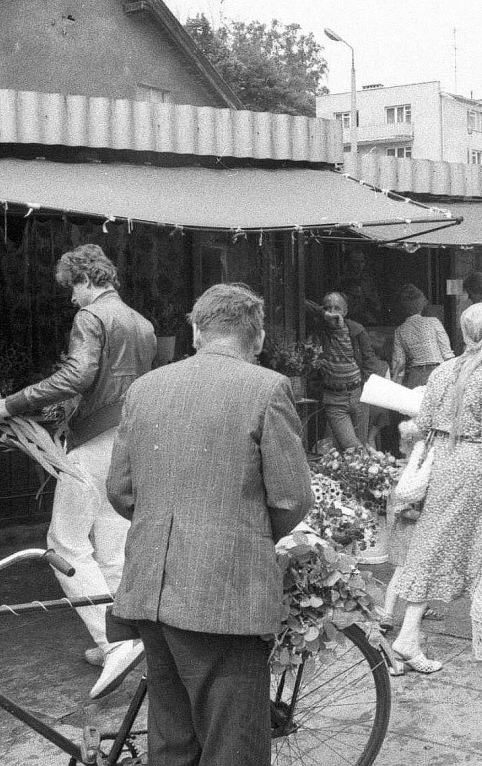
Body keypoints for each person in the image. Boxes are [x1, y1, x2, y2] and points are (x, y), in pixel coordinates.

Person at [107, 283, 313, 766]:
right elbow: (292, 497)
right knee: (232, 745)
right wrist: (243, 534)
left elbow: (121, 490)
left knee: (173, 740)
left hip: (150, 593)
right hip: (224, 593)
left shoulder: (144, 388)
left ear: (196, 331)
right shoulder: (266, 388)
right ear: (257, 337)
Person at [0, 244, 156, 677]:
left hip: (94, 441)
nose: (71, 298)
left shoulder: (91, 316)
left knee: (64, 544)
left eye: (73, 287)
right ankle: (131, 640)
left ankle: (112, 643)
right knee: (112, 550)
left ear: (88, 280)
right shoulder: (142, 323)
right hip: (130, 441)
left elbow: (78, 375)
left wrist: (14, 402)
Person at [389, 303, 482, 672]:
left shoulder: (441, 371)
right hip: (475, 469)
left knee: (438, 545)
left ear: (465, 332)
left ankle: (411, 635)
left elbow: (421, 422)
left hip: (444, 463)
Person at [307, 292, 376, 451]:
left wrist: (367, 388)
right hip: (334, 398)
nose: (332, 312)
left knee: (356, 447)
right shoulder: (321, 329)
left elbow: (369, 360)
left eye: (336, 308)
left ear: (345, 312)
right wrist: (323, 314)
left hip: (358, 395)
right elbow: (304, 304)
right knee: (353, 447)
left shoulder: (356, 330)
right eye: (328, 308)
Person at [391, 285, 453, 387]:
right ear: (421, 303)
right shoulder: (433, 322)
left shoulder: (399, 331)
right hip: (437, 373)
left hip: (415, 376)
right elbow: (447, 354)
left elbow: (400, 363)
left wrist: (395, 384)